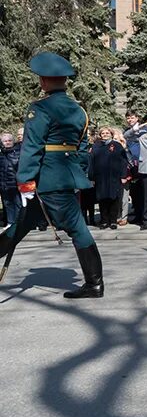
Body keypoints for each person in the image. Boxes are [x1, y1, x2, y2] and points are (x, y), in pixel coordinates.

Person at [0, 52, 104, 298]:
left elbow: (32, 146)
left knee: (77, 228)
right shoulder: (79, 112)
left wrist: (25, 180)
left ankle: (95, 283)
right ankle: (94, 283)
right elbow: (81, 149)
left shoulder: (40, 108)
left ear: (44, 81)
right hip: (64, 177)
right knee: (21, 225)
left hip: (47, 178)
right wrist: (74, 174)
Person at [89, 127, 129, 230]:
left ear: (111, 134)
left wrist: (123, 175)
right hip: (100, 177)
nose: (105, 134)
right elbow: (91, 162)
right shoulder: (96, 146)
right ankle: (104, 221)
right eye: (103, 133)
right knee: (102, 199)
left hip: (114, 177)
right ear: (100, 135)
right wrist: (91, 177)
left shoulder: (117, 146)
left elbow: (124, 161)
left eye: (107, 133)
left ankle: (113, 221)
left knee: (114, 199)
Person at [122, 111, 143, 225]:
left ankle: (145, 215)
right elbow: (124, 137)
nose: (130, 120)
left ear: (137, 118)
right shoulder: (126, 131)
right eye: (128, 118)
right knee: (134, 193)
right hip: (131, 165)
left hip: (142, 163)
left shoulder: (142, 130)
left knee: (144, 192)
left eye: (132, 117)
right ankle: (138, 215)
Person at [0, 133, 21, 227]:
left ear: (13, 141)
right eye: (5, 141)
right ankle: (10, 222)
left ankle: (19, 223)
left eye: (9, 140)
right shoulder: (1, 153)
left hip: (16, 183)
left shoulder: (19, 151)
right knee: (7, 204)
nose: (7, 142)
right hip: (4, 184)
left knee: (18, 204)